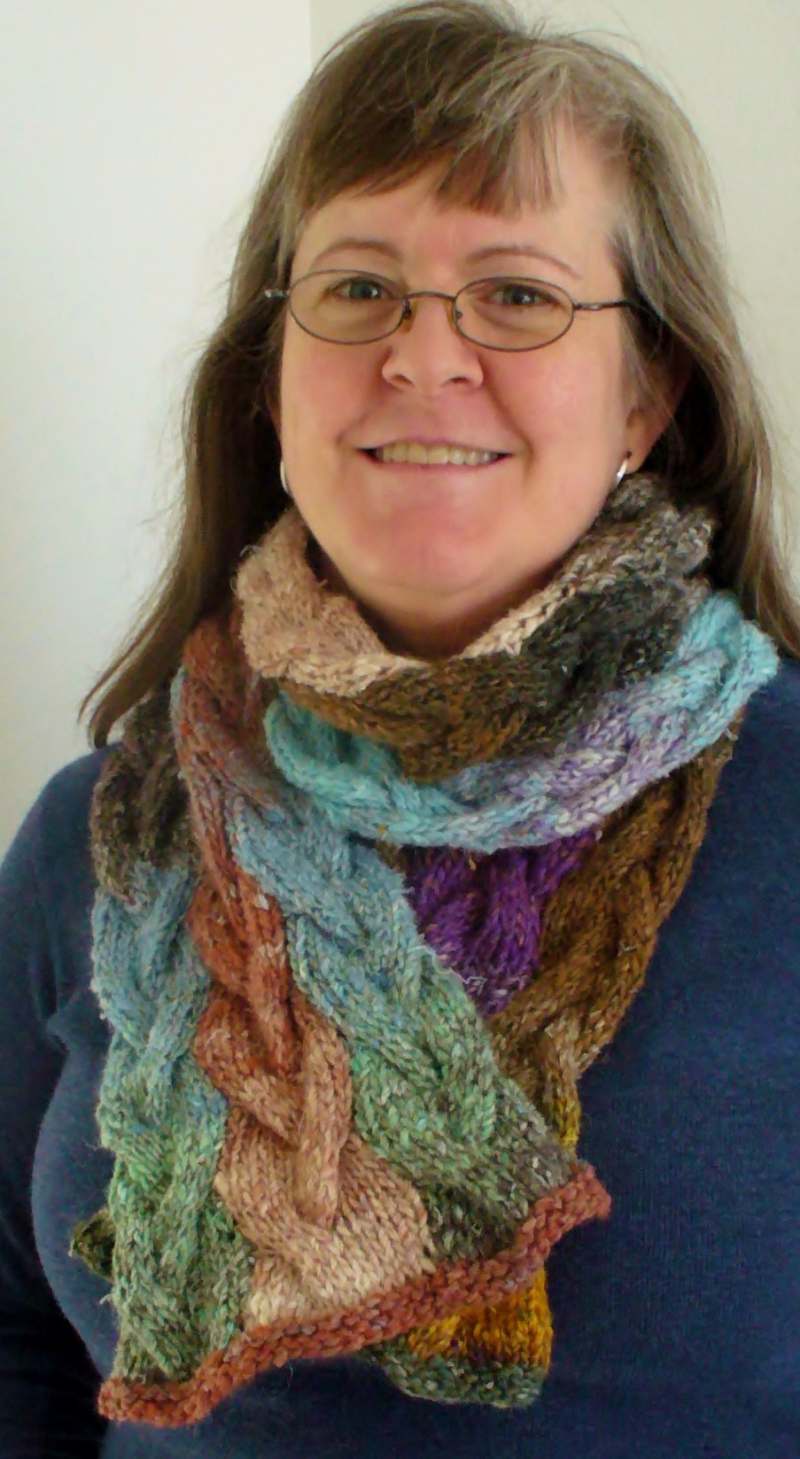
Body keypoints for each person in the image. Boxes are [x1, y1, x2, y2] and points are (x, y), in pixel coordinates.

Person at [1, 1, 798, 1455]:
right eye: (359, 287)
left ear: (649, 394)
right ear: (271, 381)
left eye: (518, 295)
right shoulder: (93, 840)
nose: (426, 357)